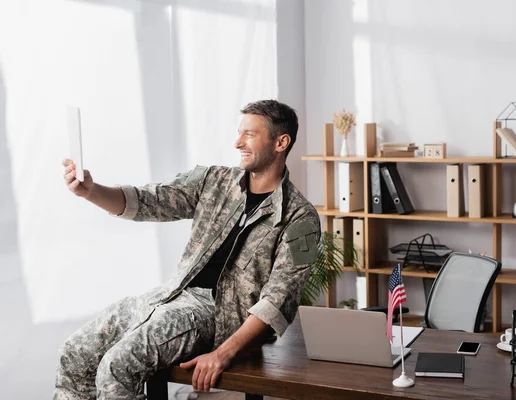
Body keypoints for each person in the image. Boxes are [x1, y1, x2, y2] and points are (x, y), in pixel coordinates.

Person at [54, 100, 321, 399]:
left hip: (217, 316)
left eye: (249, 134)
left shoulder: (301, 218)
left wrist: (222, 353)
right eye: (239, 132)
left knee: (118, 366)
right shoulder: (214, 181)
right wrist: (91, 191)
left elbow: (277, 300)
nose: (237, 142)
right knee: (75, 351)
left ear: (281, 142)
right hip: (169, 296)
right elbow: (149, 201)